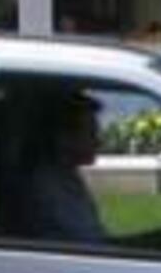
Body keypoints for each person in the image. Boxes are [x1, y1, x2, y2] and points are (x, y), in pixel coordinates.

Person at [15, 88, 108, 246]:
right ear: (63, 138)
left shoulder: (66, 177)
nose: (99, 142)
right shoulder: (49, 187)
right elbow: (92, 245)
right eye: (91, 133)